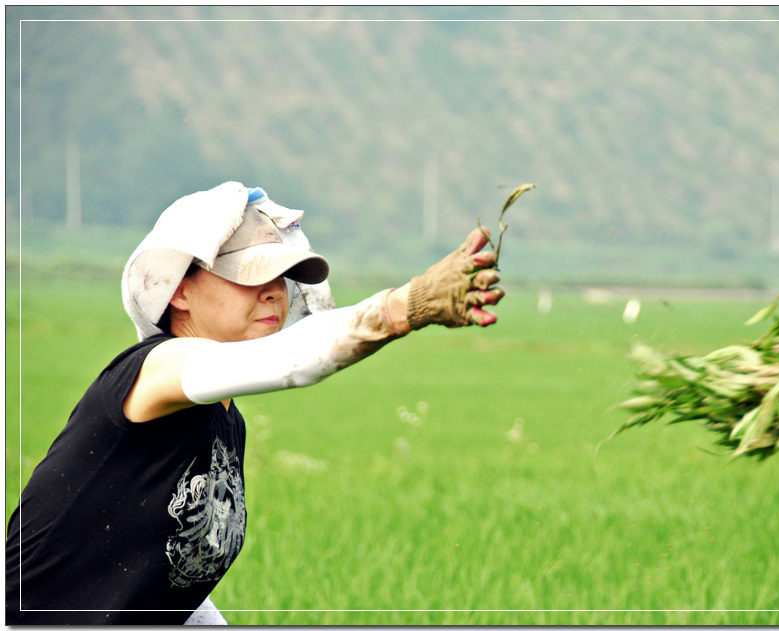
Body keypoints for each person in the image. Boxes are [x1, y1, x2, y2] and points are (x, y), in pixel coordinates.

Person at [5, 182, 505, 625]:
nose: (273, 293)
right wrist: (403, 308)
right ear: (179, 290)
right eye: (249, 276)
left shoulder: (225, 421)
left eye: (282, 279)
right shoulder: (154, 372)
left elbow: (168, 579)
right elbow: (293, 359)